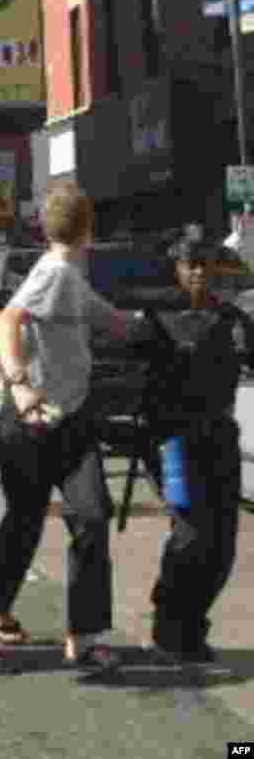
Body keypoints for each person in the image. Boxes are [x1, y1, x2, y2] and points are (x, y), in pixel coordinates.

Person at [0, 182, 141, 673]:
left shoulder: (70, 277)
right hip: (29, 422)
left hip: (69, 424)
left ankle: (84, 636)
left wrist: (155, 325)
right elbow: (6, 321)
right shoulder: (53, 273)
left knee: (89, 516)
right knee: (28, 519)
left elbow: (112, 321)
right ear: (89, 229)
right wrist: (20, 383)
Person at [141, 237, 254, 663]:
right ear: (177, 268)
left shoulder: (232, 319)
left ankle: (191, 625)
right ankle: (168, 622)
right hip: (172, 442)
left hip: (219, 438)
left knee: (222, 543)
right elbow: (125, 376)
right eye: (191, 265)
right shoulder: (155, 319)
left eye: (205, 265)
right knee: (190, 535)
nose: (199, 272)